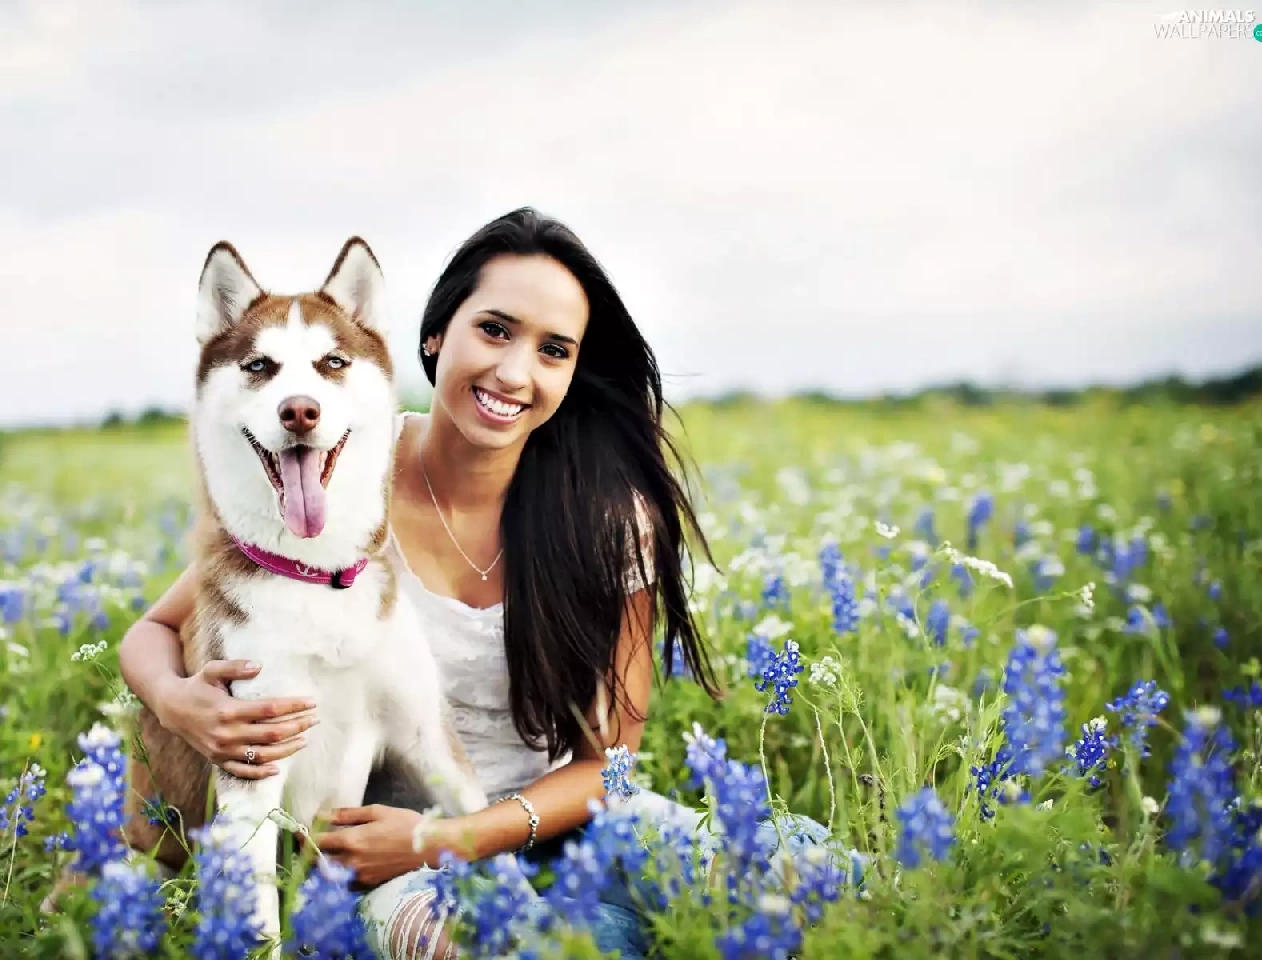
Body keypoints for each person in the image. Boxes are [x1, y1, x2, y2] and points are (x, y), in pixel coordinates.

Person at [118, 207, 835, 959]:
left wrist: (460, 835)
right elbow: (159, 627)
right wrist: (177, 702)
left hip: (557, 824)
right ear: (435, 333)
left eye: (552, 350)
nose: (514, 372)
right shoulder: (343, 470)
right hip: (381, 856)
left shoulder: (603, 515)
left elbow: (607, 765)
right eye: (494, 330)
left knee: (806, 879)